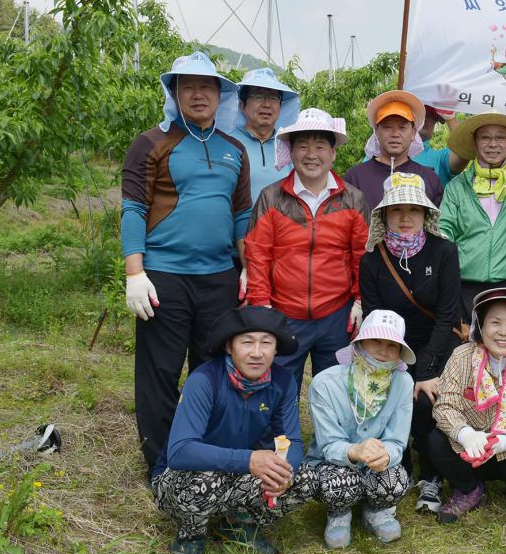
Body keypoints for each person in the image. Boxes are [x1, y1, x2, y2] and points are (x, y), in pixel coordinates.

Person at [122, 51, 251, 471]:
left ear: (219, 95)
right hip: (164, 278)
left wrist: (248, 267)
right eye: (188, 86)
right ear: (174, 93)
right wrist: (134, 272)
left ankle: (206, 456)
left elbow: (241, 216)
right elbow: (134, 208)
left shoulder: (234, 149)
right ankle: (161, 465)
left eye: (207, 86)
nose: (198, 94)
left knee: (213, 372)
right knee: (160, 373)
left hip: (219, 279)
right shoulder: (151, 143)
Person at [151, 306, 313, 554]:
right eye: (247, 342)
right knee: (206, 480)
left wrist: (285, 471)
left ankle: (236, 524)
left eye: (266, 343)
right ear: (229, 346)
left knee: (305, 478)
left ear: (276, 349)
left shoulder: (283, 381)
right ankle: (190, 537)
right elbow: (180, 451)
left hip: (240, 472)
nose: (257, 352)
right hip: (183, 478)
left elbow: (292, 440)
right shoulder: (204, 380)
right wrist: (249, 460)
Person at [245, 108, 368, 396]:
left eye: (320, 146)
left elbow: (362, 256)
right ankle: (280, 441)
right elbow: (258, 253)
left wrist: (360, 299)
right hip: (284, 312)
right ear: (291, 151)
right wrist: (261, 304)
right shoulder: (272, 197)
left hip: (335, 313)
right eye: (302, 145)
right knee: (278, 389)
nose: (311, 154)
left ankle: (330, 442)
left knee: (334, 390)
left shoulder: (353, 198)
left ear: (333, 153)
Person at [359, 172, 462, 514]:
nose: (405, 218)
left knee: (425, 399)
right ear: (384, 215)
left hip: (437, 343)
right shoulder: (372, 259)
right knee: (392, 396)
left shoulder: (444, 251)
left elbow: (447, 315)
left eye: (413, 210)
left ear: (426, 215)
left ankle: (431, 474)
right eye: (396, 210)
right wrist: (396, 363)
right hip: (390, 344)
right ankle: (396, 462)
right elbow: (375, 319)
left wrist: (427, 369)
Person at [428, 287, 506, 525]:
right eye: (495, 322)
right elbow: (445, 406)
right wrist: (466, 435)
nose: (503, 332)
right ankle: (468, 489)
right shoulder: (462, 356)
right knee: (435, 440)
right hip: (469, 451)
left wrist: (502, 441)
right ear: (480, 325)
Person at [305, 309, 416, 548]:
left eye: (392, 345)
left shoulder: (404, 381)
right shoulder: (324, 383)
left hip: (377, 463)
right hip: (335, 463)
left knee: (397, 479)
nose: (383, 351)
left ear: (400, 353)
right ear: (360, 342)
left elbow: (398, 441)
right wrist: (356, 451)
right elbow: (328, 445)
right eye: (376, 340)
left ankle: (377, 511)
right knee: (338, 482)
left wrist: (385, 454)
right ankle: (338, 514)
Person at [440, 112, 506, 321]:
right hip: (464, 285)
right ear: (475, 142)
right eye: (485, 137)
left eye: (500, 137)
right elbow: (445, 229)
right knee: (465, 348)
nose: (492, 144)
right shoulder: (457, 187)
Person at [344, 90, 443, 209]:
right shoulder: (355, 178)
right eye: (387, 127)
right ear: (376, 131)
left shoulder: (429, 179)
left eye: (402, 127)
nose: (395, 134)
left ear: (413, 132)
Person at [230, 67, 301, 204]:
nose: (267, 104)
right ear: (242, 105)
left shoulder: (288, 146)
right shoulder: (229, 142)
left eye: (273, 98)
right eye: (259, 96)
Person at [414, 105, 469, 187]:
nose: (424, 119)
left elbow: (466, 150)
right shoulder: (390, 150)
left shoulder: (440, 158)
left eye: (430, 116)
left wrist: (450, 117)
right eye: (419, 114)